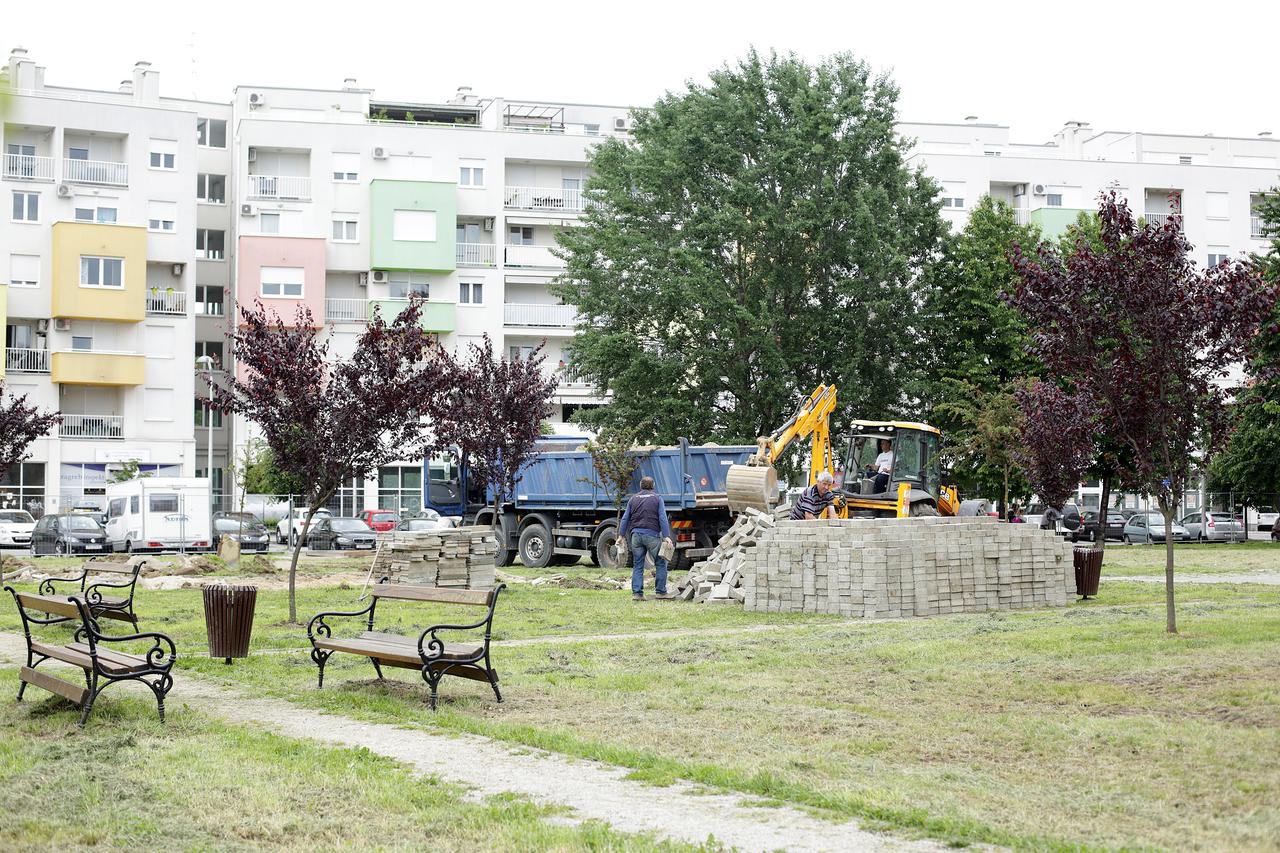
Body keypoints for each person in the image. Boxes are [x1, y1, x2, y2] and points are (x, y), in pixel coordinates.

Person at [618, 475, 673, 601]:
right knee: (660, 563)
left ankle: (637, 594)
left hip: (636, 536)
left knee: (638, 565)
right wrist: (666, 536)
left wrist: (621, 536)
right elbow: (662, 518)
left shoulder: (633, 499)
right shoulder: (657, 498)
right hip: (652, 536)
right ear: (653, 486)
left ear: (640, 486)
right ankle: (661, 592)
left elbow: (625, 518)